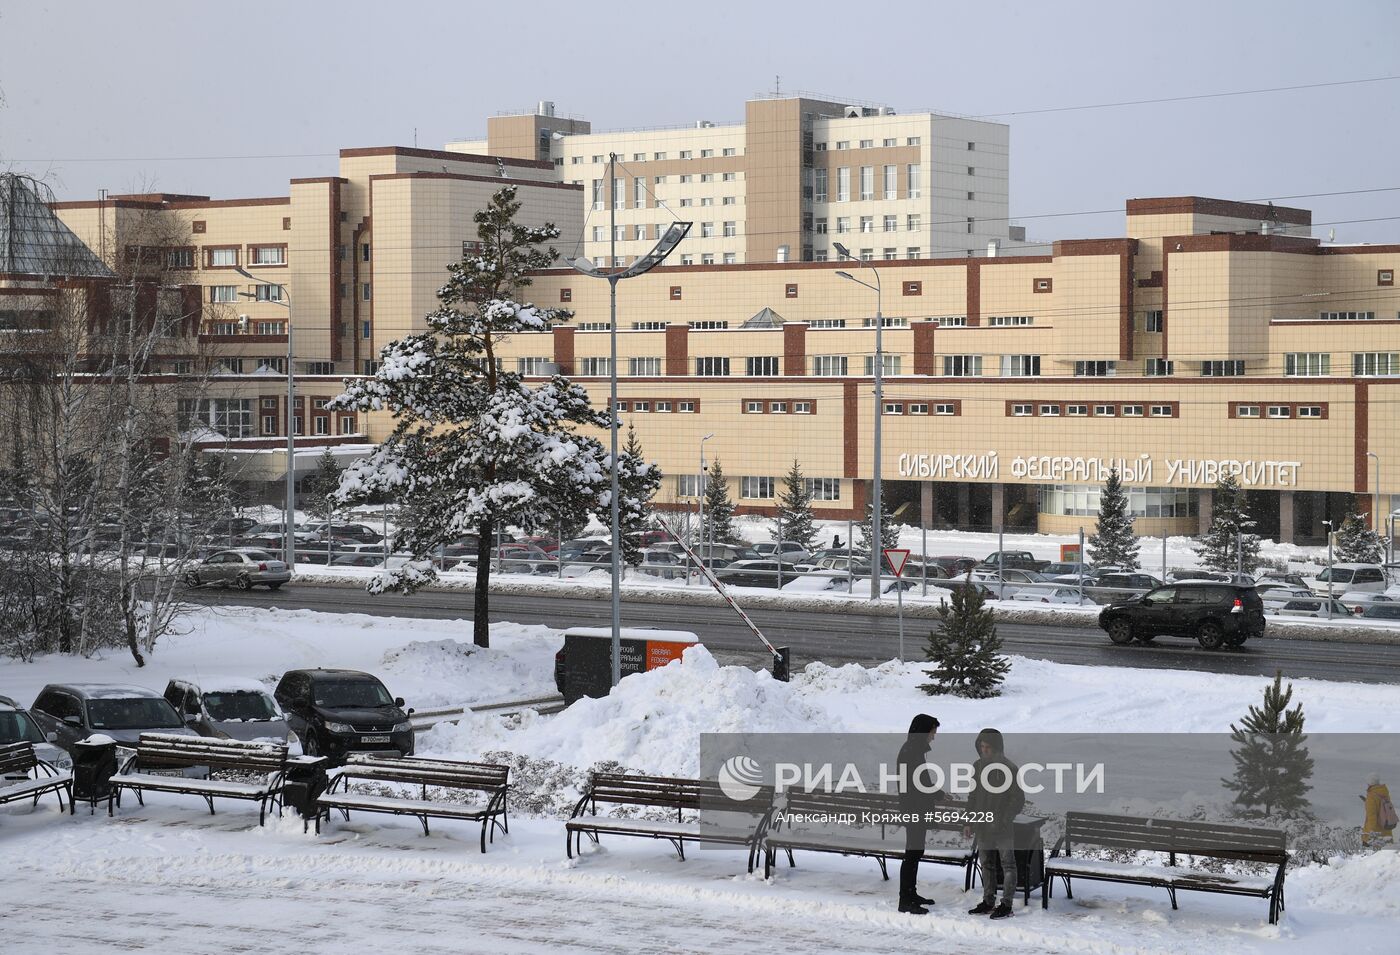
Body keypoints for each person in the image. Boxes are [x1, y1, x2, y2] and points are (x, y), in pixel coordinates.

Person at [965, 727, 1025, 920]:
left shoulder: (1009, 768)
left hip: (1002, 827)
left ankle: (1006, 904)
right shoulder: (977, 766)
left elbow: (1017, 800)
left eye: (988, 747)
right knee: (987, 864)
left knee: (1008, 864)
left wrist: (1003, 819)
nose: (984, 750)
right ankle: (988, 901)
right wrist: (968, 821)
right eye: (981, 746)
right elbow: (973, 796)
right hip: (982, 825)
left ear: (997, 747)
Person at [895, 713, 940, 914]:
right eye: (933, 732)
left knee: (915, 852)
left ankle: (910, 893)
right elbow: (917, 783)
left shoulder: (914, 749)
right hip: (914, 809)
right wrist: (936, 793)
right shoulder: (912, 751)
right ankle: (905, 899)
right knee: (912, 853)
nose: (934, 736)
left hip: (915, 808)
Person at [1362, 773, 1397, 846]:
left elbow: (1372, 817)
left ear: (1369, 783)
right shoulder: (1384, 792)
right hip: (1387, 828)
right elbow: (1382, 807)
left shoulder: (1371, 796)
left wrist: (1368, 836)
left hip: (1376, 834)